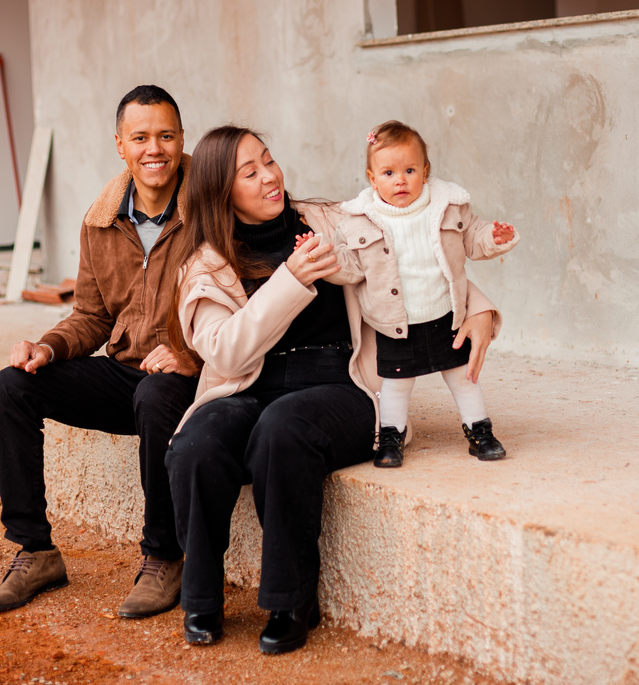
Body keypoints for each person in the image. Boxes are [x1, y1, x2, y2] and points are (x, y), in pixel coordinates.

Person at [161, 125, 501, 654]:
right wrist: (291, 279)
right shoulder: (204, 264)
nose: (270, 176)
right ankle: (200, 596)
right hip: (248, 385)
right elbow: (225, 355)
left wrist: (478, 309)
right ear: (220, 192)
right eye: (249, 172)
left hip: (343, 385)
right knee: (196, 443)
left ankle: (291, 598)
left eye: (268, 160)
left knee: (283, 428)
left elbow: (413, 259)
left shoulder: (330, 221)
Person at [0, 85, 199, 619]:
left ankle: (164, 557)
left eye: (166, 136)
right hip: (128, 375)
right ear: (120, 145)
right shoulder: (101, 221)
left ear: (181, 139)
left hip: (194, 376)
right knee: (13, 385)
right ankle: (36, 551)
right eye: (140, 138)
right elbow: (93, 316)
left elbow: (246, 301)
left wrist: (191, 353)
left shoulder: (210, 206)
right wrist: (48, 348)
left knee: (155, 394)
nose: (154, 149)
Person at [312, 120, 518, 468]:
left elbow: (473, 236)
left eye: (409, 170)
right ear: (372, 178)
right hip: (396, 323)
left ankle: (480, 431)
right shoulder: (359, 221)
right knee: (396, 384)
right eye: (388, 173)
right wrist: (323, 257)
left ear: (425, 171)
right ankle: (390, 438)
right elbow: (350, 267)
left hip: (445, 314)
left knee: (463, 376)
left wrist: (494, 238)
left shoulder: (447, 206)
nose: (400, 180)